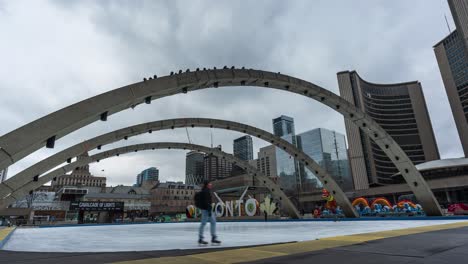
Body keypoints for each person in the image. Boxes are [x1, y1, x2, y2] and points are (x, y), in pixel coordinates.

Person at [197, 180, 221, 245]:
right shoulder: (205, 191)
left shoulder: (206, 191)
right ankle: (201, 238)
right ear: (207, 184)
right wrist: (209, 209)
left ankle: (213, 237)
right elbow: (206, 202)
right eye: (210, 183)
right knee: (204, 223)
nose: (211, 185)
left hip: (207, 209)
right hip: (206, 210)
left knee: (213, 222)